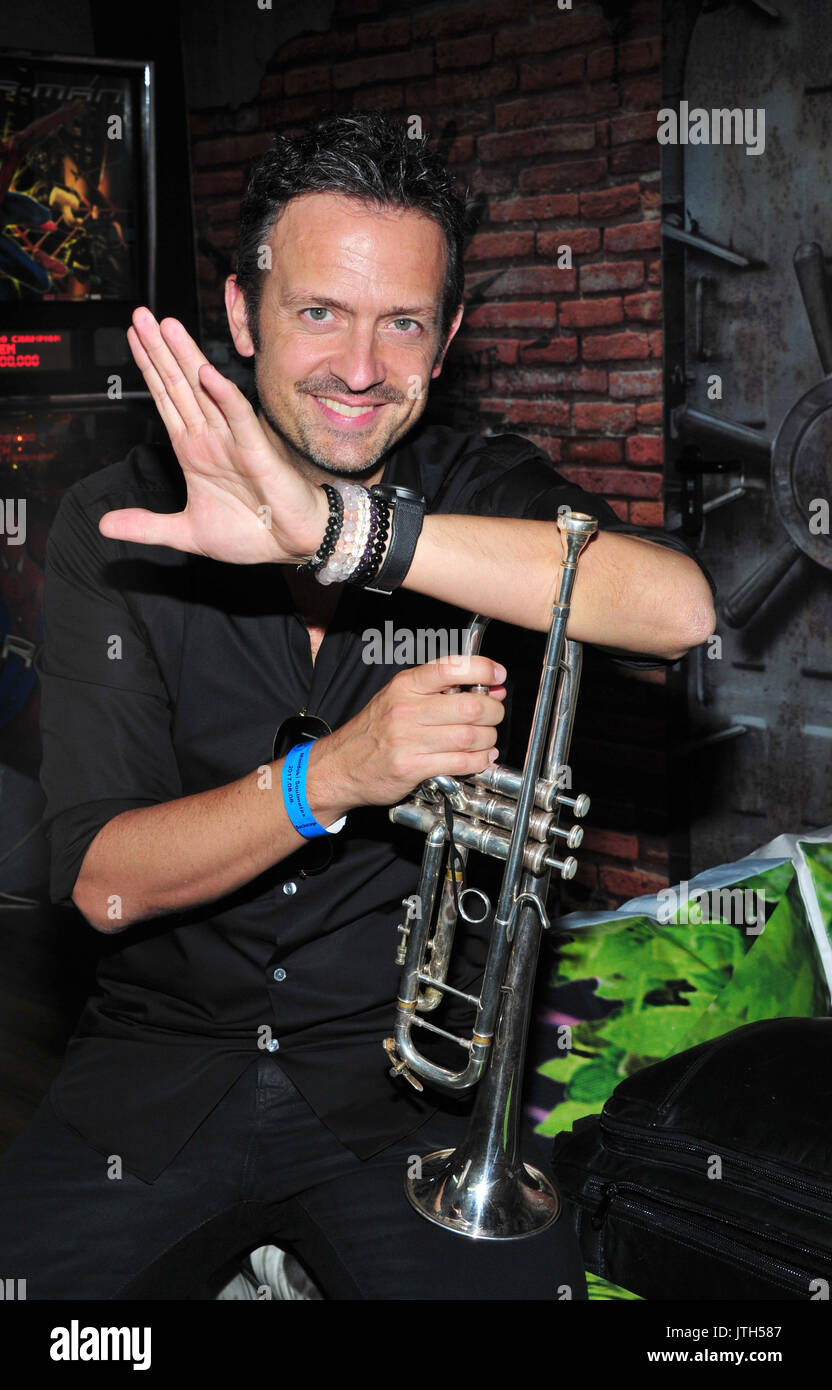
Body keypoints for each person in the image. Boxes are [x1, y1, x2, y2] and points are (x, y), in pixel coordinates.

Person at [0, 112, 715, 1300]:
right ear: (243, 314)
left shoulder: (481, 491)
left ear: (446, 344)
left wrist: (346, 533)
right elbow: (101, 878)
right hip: (160, 1071)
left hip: (400, 1095)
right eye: (319, 311)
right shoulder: (120, 519)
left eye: (403, 323)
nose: (360, 367)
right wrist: (330, 775)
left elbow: (679, 608)